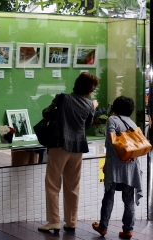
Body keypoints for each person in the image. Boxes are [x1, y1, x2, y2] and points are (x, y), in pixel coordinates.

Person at [38, 72, 99, 232]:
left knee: (53, 184)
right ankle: (71, 221)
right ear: (89, 90)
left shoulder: (62, 98)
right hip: (78, 148)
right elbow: (87, 125)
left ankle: (54, 221)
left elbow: (46, 113)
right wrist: (93, 107)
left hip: (60, 145)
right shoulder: (89, 105)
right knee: (73, 186)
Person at [92, 96, 143, 239]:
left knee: (108, 196)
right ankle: (128, 230)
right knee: (129, 200)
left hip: (116, 164)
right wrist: (129, 155)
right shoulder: (132, 123)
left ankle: (103, 227)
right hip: (131, 166)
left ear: (115, 107)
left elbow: (112, 139)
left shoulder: (112, 120)